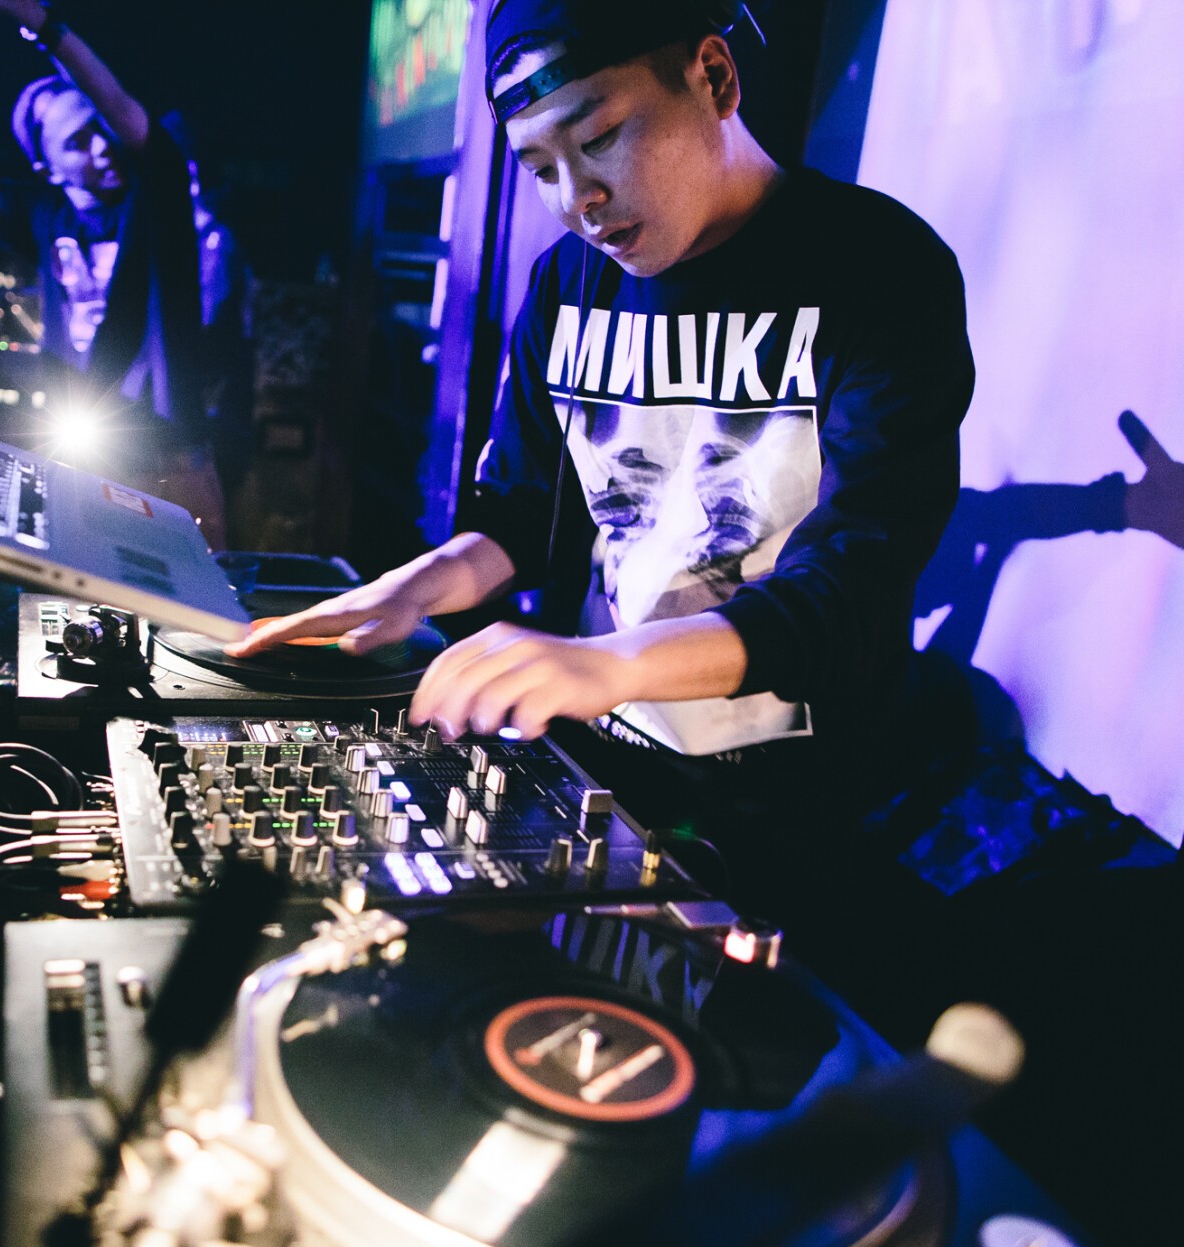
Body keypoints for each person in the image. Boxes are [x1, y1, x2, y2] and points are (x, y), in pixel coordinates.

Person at [234, 0, 975, 908]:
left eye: (601, 138)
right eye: (541, 168)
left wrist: (611, 665)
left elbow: (853, 590)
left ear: (714, 77)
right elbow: (522, 518)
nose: (576, 199)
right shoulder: (567, 283)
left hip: (797, 805)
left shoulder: (880, 267)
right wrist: (409, 590)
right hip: (608, 763)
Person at [0, 0, 230, 542]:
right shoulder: (43, 215)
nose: (103, 146)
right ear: (45, 164)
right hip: (84, 459)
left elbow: (120, 106)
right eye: (77, 141)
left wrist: (41, 24)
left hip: (171, 462)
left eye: (102, 129)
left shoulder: (155, 196)